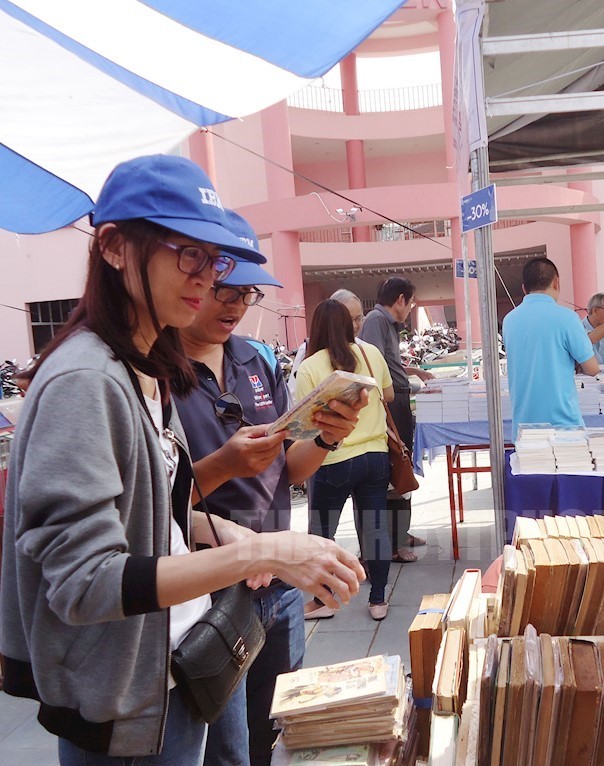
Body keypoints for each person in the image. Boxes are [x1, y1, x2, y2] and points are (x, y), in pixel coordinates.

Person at [0, 155, 365, 766]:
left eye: (217, 260)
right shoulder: (84, 380)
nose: (205, 278)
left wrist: (224, 530)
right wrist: (263, 550)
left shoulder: (145, 370)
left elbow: (153, 509)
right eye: (186, 253)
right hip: (122, 700)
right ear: (115, 247)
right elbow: (83, 583)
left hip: (174, 668)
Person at [173, 209, 366, 766]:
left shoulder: (255, 360)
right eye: (224, 291)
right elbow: (152, 502)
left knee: (279, 730)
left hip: (279, 579)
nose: (234, 305)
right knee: (228, 747)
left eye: (246, 295)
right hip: (206, 588)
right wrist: (224, 465)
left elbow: (290, 469)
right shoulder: (154, 372)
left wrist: (328, 437)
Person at [295, 299, 395, 622]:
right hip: (376, 457)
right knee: (376, 529)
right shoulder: (370, 354)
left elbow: (303, 423)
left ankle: (325, 600)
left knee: (323, 533)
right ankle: (378, 600)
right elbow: (388, 394)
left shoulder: (311, 367)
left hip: (333, 460)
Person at [359, 276, 431, 563]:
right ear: (400, 299)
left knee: (403, 466)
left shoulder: (387, 324)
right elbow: (371, 364)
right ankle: (392, 543)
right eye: (411, 302)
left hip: (399, 400)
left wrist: (412, 372)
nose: (410, 308)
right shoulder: (376, 320)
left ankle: (402, 533)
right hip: (389, 405)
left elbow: (388, 362)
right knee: (396, 469)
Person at [503, 257, 603, 431]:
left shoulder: (509, 320)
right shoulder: (567, 318)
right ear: (556, 283)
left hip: (524, 426)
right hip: (563, 425)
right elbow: (592, 368)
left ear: (524, 289)